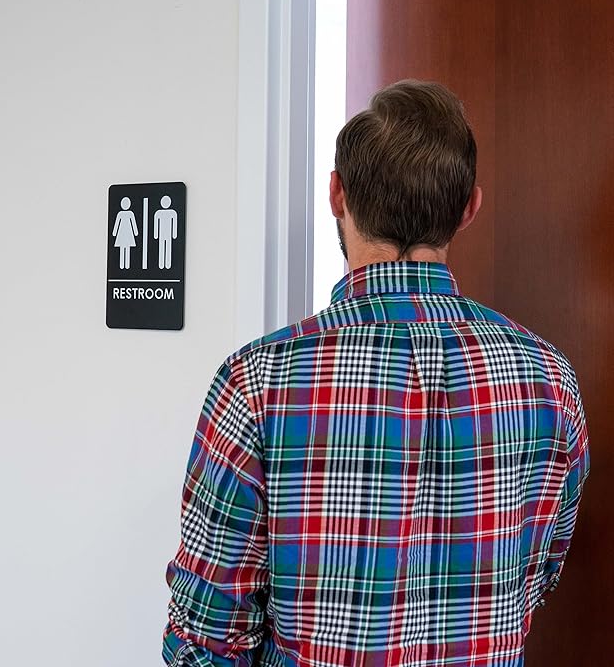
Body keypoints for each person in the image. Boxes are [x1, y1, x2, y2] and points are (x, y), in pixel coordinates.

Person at [162, 80, 590, 667]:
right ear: (469, 209)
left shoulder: (257, 382)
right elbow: (535, 576)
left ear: (336, 194)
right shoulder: (549, 379)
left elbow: (206, 634)